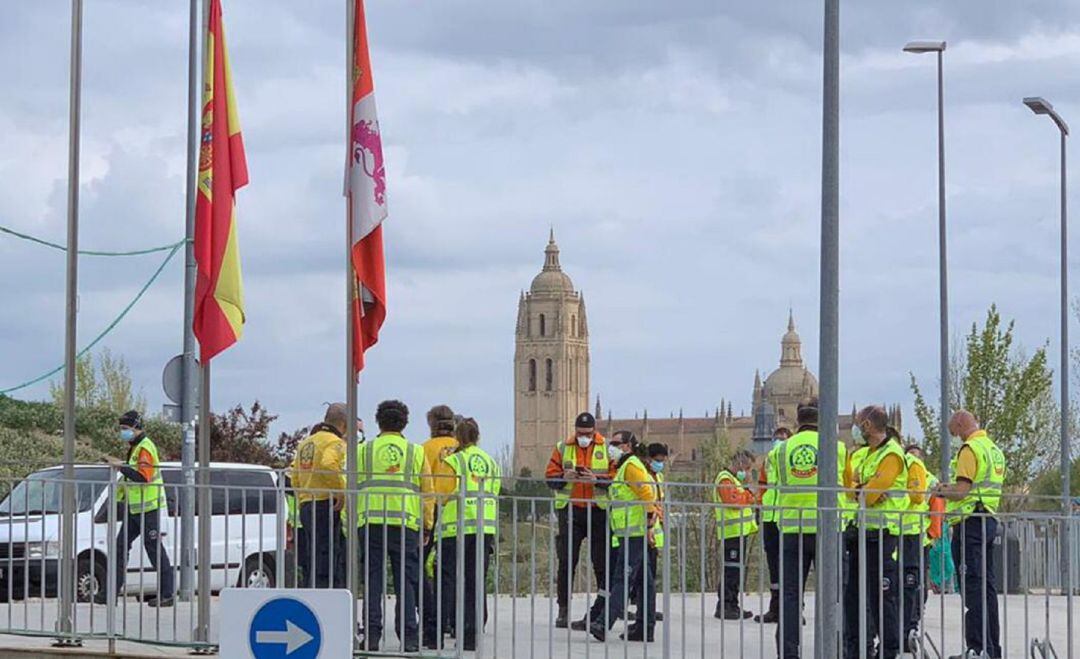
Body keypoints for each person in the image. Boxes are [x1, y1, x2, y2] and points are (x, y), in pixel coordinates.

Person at [352, 400, 432, 653]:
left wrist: (349, 524)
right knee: (405, 582)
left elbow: (350, 486)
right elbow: (427, 492)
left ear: (378, 421)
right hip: (405, 524)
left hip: (370, 523)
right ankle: (408, 638)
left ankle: (372, 637)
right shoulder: (415, 451)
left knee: (373, 581)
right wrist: (427, 525)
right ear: (405, 422)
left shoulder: (364, 450)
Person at [775, 398, 846, 659]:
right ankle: (834, 648)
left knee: (791, 595)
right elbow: (845, 482)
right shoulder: (835, 448)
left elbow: (779, 483)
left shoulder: (781, 450)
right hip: (828, 528)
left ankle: (788, 651)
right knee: (833, 593)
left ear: (798, 421)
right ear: (822, 421)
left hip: (792, 529)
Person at [931, 410, 1005, 659]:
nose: (955, 437)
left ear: (962, 424)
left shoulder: (969, 449)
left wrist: (941, 490)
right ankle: (992, 648)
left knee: (973, 588)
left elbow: (962, 491)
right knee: (987, 588)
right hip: (988, 520)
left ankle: (977, 648)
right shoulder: (992, 448)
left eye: (954, 431)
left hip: (970, 523)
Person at [847, 406, 908, 659]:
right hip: (862, 532)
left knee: (882, 598)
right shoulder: (864, 454)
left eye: (859, 423)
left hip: (883, 533)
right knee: (854, 597)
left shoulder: (892, 454)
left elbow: (869, 496)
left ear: (868, 426)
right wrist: (861, 489)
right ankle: (858, 649)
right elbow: (848, 486)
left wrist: (861, 490)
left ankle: (889, 651)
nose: (856, 427)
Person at [545, 412, 615, 628]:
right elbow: (549, 477)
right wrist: (563, 478)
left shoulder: (607, 449)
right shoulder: (563, 447)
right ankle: (563, 610)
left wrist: (597, 480)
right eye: (579, 433)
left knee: (601, 564)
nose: (583, 437)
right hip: (571, 511)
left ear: (595, 431)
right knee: (566, 562)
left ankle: (601, 609)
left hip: (598, 511)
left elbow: (616, 478)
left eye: (587, 433)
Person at [586, 431, 657, 642]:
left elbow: (646, 493)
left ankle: (603, 623)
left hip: (634, 532)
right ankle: (645, 627)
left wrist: (650, 516)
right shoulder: (623, 468)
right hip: (629, 532)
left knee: (622, 578)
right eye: (611, 443)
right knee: (645, 581)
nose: (611, 447)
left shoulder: (631, 466)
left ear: (627, 446)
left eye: (616, 443)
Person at [437, 418, 501, 651]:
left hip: (457, 528)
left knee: (454, 581)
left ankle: (455, 630)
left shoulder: (454, 461)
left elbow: (442, 494)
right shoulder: (491, 462)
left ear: (458, 437)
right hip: (484, 528)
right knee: (476, 582)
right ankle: (474, 634)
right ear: (478, 436)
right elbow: (494, 492)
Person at [99, 410, 174, 606]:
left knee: (154, 549)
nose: (122, 432)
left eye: (125, 428)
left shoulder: (145, 447)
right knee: (120, 547)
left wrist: (119, 466)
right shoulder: (135, 447)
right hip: (135, 509)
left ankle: (167, 594)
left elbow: (143, 476)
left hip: (148, 509)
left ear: (135, 427)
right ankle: (110, 594)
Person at [421, 405, 458, 649]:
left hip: (432, 512)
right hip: (457, 515)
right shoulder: (461, 447)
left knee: (424, 567)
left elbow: (422, 481)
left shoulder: (426, 448)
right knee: (453, 570)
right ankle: (455, 620)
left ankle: (432, 618)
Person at [713, 449, 759, 620]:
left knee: (736, 570)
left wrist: (746, 491)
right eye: (746, 468)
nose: (747, 473)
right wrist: (749, 493)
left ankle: (732, 604)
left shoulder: (735, 481)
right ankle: (725, 605)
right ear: (738, 464)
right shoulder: (725, 479)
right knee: (731, 570)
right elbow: (733, 501)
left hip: (739, 532)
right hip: (731, 533)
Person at [628, 442, 667, 625]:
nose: (660, 464)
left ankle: (647, 611)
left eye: (662, 461)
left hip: (653, 532)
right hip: (642, 529)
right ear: (649, 459)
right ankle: (641, 611)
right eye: (658, 460)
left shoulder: (657, 476)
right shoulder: (643, 476)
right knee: (640, 576)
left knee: (649, 575)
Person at [755, 425, 791, 623]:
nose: (778, 441)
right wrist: (758, 508)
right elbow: (762, 485)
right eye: (776, 437)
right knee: (774, 567)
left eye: (782, 438)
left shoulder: (792, 458)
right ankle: (775, 608)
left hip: (788, 518)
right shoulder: (768, 460)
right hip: (770, 518)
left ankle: (793, 610)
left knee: (792, 567)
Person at [840, 422, 870, 656]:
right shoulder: (852, 454)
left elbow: (849, 488)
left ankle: (857, 645)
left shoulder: (853, 455)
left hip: (857, 527)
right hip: (858, 527)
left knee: (855, 593)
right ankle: (859, 645)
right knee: (858, 593)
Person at [901, 442, 934, 650]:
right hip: (901, 535)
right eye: (911, 455)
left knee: (918, 583)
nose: (914, 458)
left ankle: (913, 620)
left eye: (917, 455)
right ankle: (906, 625)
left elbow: (937, 508)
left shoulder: (930, 479)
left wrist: (933, 532)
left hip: (921, 538)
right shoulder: (901, 473)